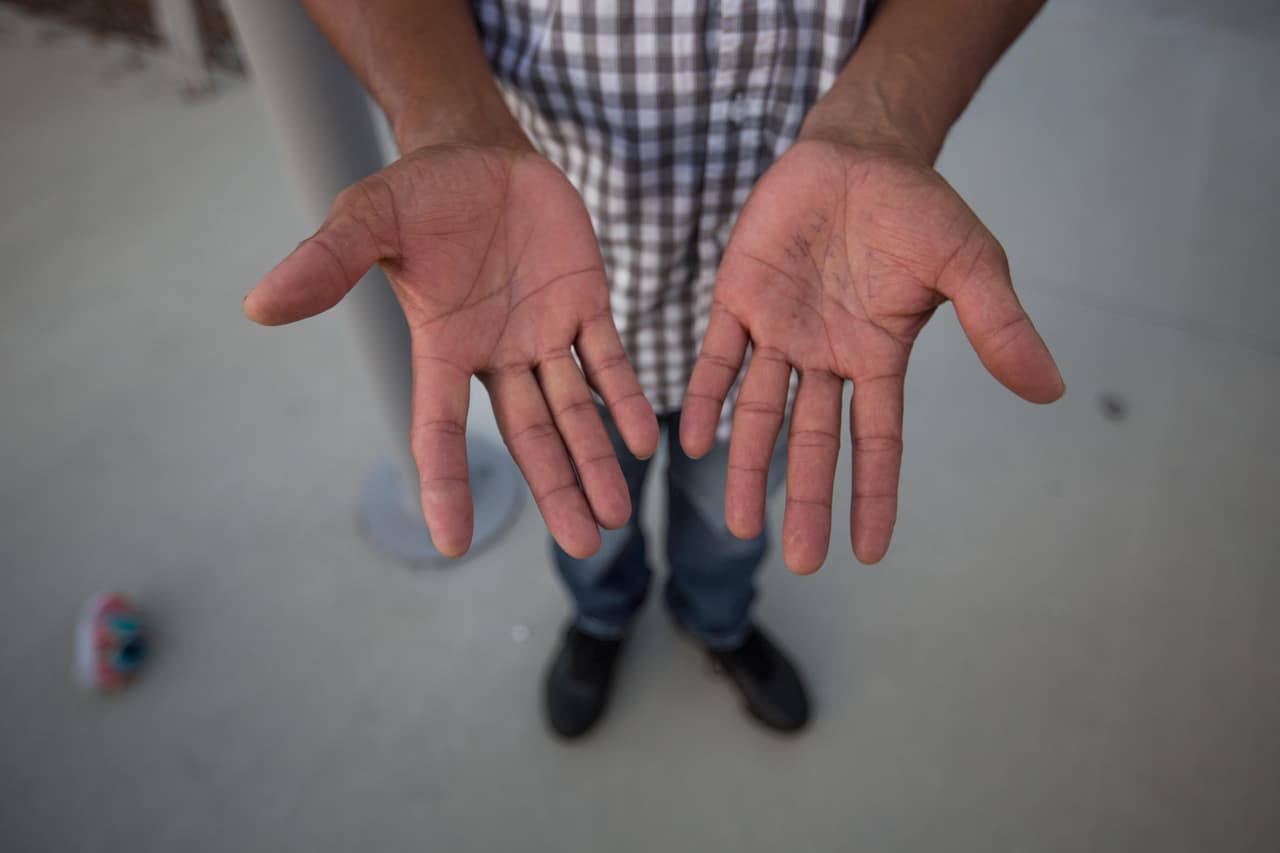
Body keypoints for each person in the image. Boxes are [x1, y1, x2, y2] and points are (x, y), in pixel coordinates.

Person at [243, 0, 1064, 738]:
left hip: (796, 317)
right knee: (591, 525)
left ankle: (718, 623)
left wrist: (887, 120)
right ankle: (603, 621)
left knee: (731, 521)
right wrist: (451, 120)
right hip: (553, 299)